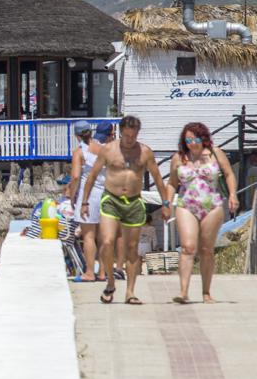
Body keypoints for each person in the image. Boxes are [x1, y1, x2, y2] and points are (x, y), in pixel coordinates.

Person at [81, 115, 172, 305]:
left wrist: (165, 204)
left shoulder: (145, 152)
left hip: (134, 202)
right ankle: (110, 281)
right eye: (127, 136)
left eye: (134, 136)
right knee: (107, 241)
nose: (130, 140)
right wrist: (84, 202)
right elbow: (92, 176)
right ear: (120, 132)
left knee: (132, 248)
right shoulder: (108, 150)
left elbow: (158, 179)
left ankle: (130, 292)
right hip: (111, 200)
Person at [169, 122, 239, 304]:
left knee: (206, 249)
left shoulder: (215, 153)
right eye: (188, 140)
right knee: (188, 247)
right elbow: (172, 183)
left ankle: (206, 292)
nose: (192, 143)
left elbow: (229, 174)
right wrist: (166, 203)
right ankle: (183, 292)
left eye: (196, 139)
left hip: (212, 205)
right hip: (186, 204)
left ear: (204, 138)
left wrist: (233, 194)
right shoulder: (179, 157)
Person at [66, 120, 108, 282]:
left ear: (77, 136)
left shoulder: (79, 152)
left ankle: (90, 273)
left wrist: (72, 196)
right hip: (105, 194)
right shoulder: (103, 149)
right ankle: (103, 273)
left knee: (89, 236)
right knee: (103, 237)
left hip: (88, 196)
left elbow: (76, 176)